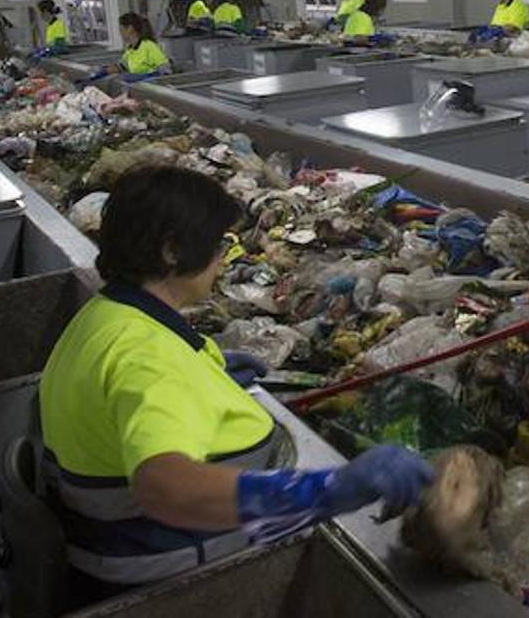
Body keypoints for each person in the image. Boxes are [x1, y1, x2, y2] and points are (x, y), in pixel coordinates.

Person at [38, 165, 434, 590]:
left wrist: (209, 372)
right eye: (216, 245)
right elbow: (166, 489)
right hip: (171, 573)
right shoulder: (149, 360)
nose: (222, 258)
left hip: (106, 546)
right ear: (172, 251)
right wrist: (329, 489)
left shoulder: (103, 316)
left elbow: (125, 394)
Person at [97, 12, 169, 82]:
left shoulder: (148, 46)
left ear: (130, 29)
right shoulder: (130, 50)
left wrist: (147, 78)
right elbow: (121, 67)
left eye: (121, 30)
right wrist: (102, 71)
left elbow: (166, 71)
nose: (120, 34)